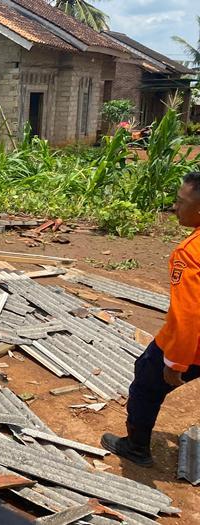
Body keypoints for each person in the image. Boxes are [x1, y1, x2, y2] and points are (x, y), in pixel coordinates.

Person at [102, 172, 200, 467]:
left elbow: (189, 314)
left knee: (146, 382)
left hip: (191, 346)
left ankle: (136, 447)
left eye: (180, 202)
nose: (174, 207)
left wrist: (176, 362)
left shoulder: (190, 253)